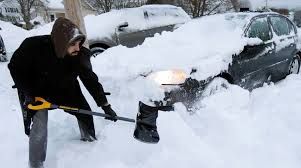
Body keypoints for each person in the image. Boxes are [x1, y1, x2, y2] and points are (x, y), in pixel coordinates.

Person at [8, 17, 118, 168]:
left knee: (85, 113)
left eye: (79, 43)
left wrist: (105, 104)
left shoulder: (80, 55)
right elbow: (14, 67)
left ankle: (90, 145)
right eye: (73, 44)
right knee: (39, 126)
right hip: (36, 91)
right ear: (61, 42)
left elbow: (90, 80)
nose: (77, 48)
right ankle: (35, 164)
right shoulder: (33, 46)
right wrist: (28, 93)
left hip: (66, 88)